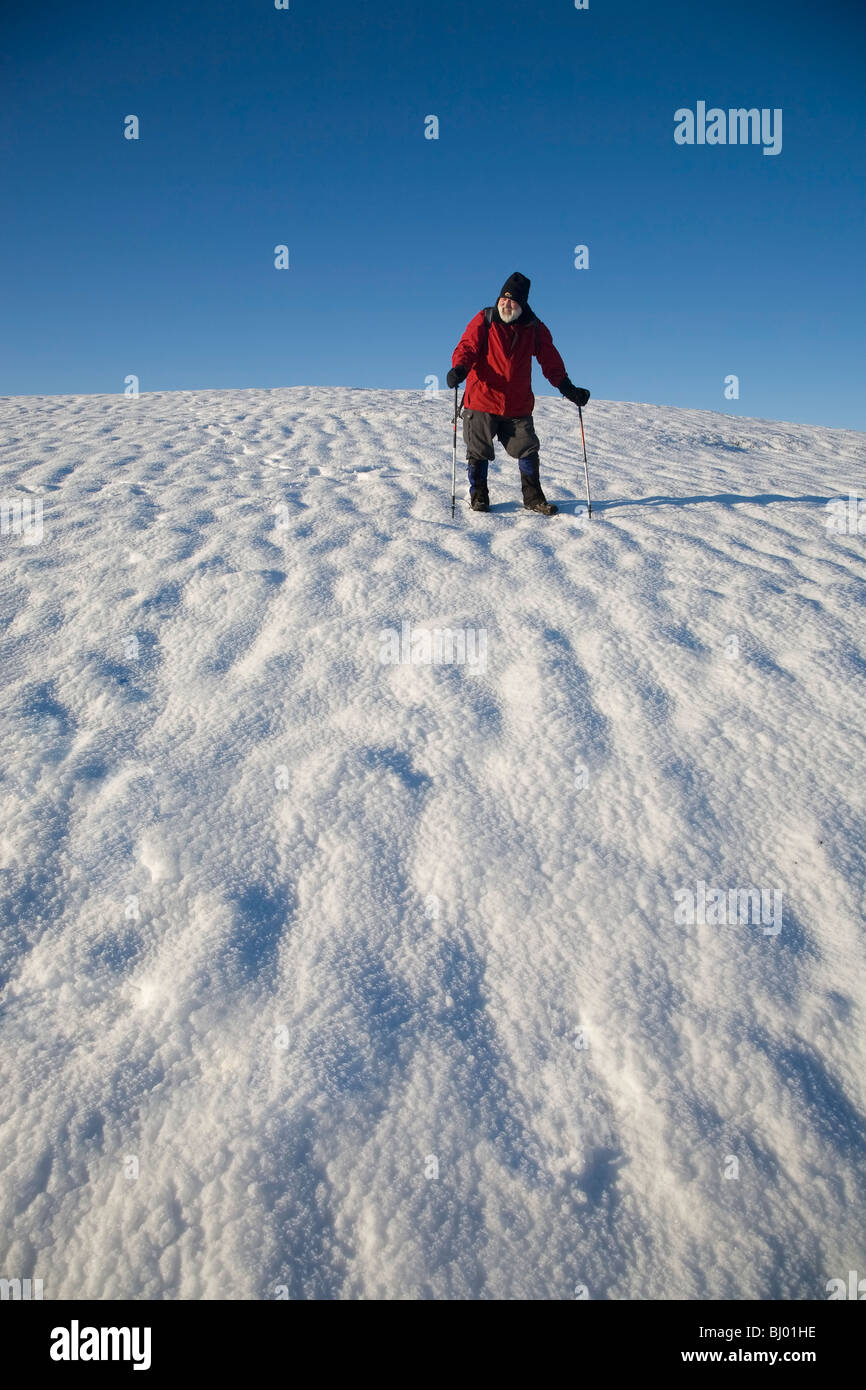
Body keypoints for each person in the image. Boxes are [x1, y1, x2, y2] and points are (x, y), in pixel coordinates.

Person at [447, 271, 590, 514]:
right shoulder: (486, 319)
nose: (506, 303)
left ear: (522, 304)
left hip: (517, 404)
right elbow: (468, 346)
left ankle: (533, 498)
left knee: (527, 448)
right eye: (503, 298)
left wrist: (567, 387)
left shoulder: (534, 328)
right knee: (478, 450)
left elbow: (550, 359)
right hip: (482, 399)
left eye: (512, 300)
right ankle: (479, 495)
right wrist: (459, 369)